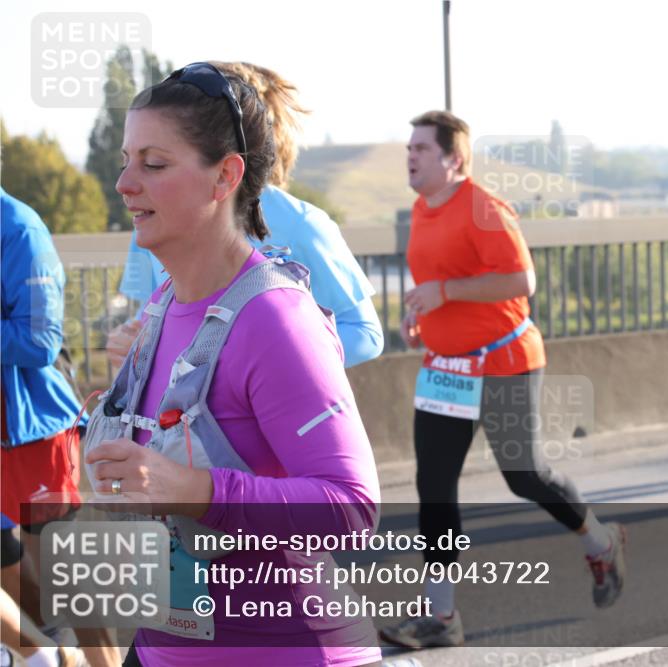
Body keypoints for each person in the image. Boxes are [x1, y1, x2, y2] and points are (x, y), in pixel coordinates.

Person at [89, 62, 381, 666]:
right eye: (125, 159)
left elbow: (351, 506)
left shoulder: (276, 320)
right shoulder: (163, 304)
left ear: (225, 176)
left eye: (154, 163)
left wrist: (195, 489)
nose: (123, 182)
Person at [378, 111, 626, 650]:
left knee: (524, 474)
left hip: (504, 362)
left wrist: (445, 292)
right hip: (447, 370)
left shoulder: (485, 209)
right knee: (434, 488)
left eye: (422, 147)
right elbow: (438, 278)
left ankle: (600, 542)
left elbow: (520, 279)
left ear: (454, 158)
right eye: (409, 147)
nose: (411, 156)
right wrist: (423, 313)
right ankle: (441, 617)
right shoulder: (422, 209)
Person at [110, 61, 382, 369]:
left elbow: (366, 334)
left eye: (156, 163)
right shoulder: (152, 217)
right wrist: (129, 340)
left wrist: (254, 364)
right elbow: (152, 313)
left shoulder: (302, 223)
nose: (125, 185)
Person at [1, 188, 119, 667]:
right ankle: (46, 656)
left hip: (33, 431)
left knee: (68, 580)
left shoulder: (19, 227)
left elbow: (41, 339)